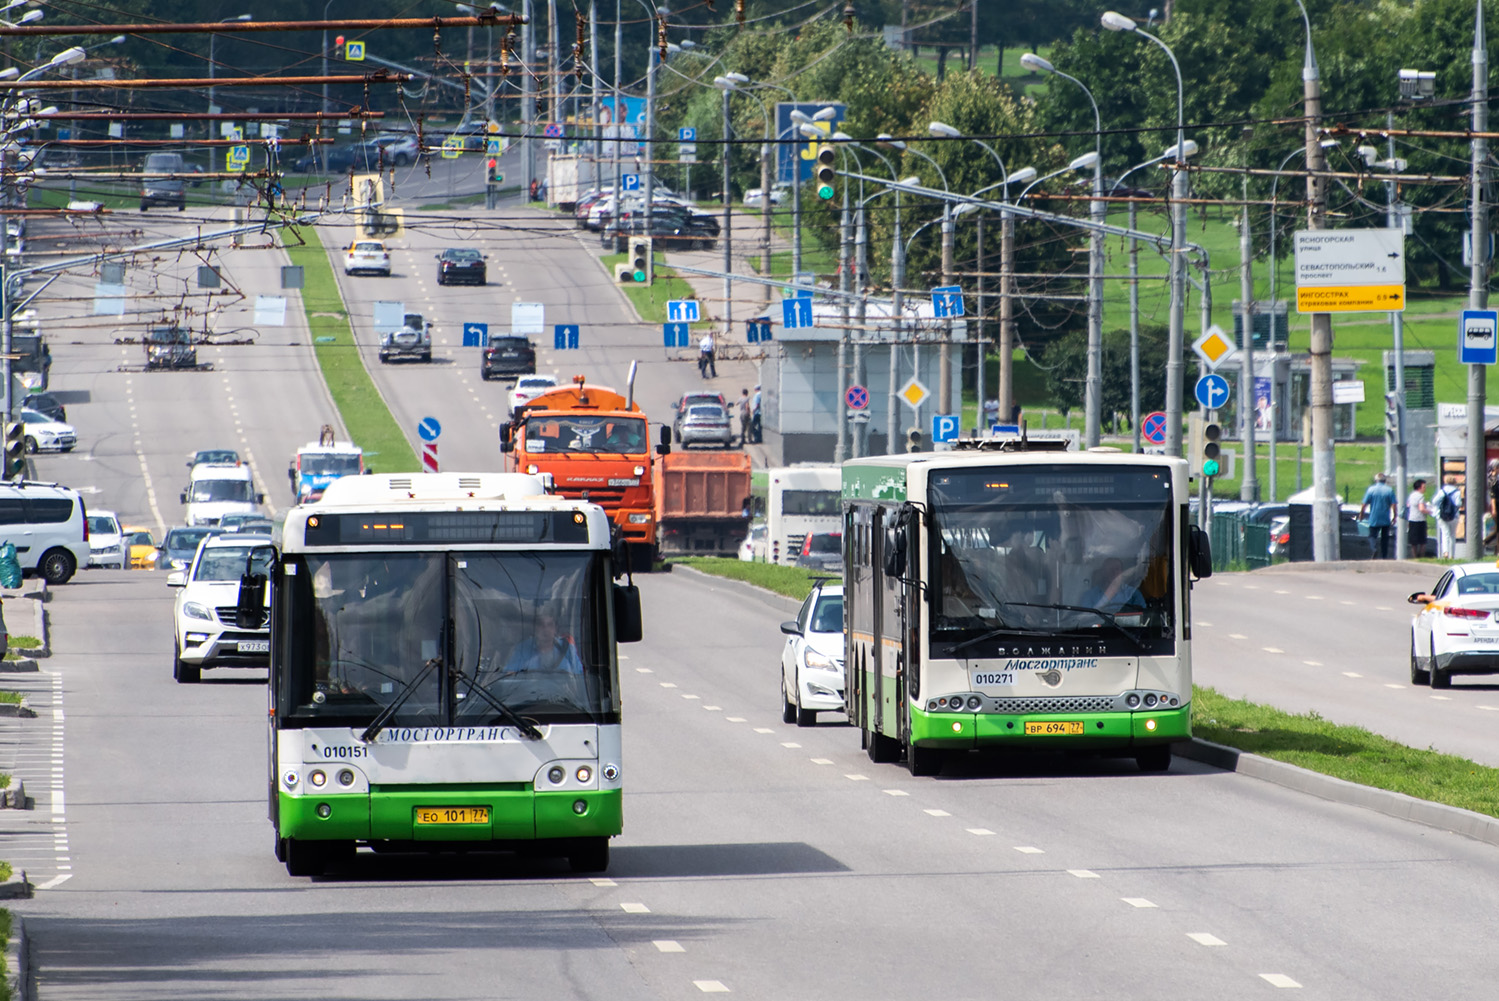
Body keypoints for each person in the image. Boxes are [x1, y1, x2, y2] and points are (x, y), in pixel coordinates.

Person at [504, 609, 583, 675]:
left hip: (562, 688)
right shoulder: (522, 648)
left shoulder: (567, 648)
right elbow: (509, 675)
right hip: (530, 688)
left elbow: (579, 676)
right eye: (541, 625)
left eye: (550, 625)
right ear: (535, 629)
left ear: (555, 629)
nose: (546, 629)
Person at [1080, 557, 1146, 612]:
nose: (1114, 572)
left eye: (1117, 569)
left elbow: (1142, 616)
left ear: (1122, 572)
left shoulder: (1133, 594)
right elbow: (1085, 618)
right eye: (1110, 569)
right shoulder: (1089, 595)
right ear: (1103, 572)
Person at [1359, 472, 1398, 559]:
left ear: (1376, 480)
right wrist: (1395, 516)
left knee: (1372, 536)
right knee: (1385, 538)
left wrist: (1361, 514)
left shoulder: (1371, 490)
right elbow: (1394, 504)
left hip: (1374, 517)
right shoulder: (1389, 490)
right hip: (1385, 518)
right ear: (1385, 480)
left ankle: (1374, 548)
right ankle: (1384, 556)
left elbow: (1364, 504)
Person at [1435, 474, 1461, 559]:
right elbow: (1458, 504)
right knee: (1452, 535)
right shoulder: (1457, 492)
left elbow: (1434, 501)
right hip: (1454, 516)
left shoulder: (1442, 491)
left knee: (1445, 533)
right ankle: (1452, 555)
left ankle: (1445, 552)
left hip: (1442, 515)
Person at [1405, 478, 1430, 559]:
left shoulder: (1411, 495)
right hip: (1420, 520)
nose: (1425, 489)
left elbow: (1408, 505)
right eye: (1424, 487)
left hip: (1412, 519)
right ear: (1419, 488)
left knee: (1414, 542)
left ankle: (1414, 556)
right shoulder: (1420, 496)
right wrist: (1430, 511)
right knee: (1422, 541)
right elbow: (1421, 509)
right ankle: (1421, 557)